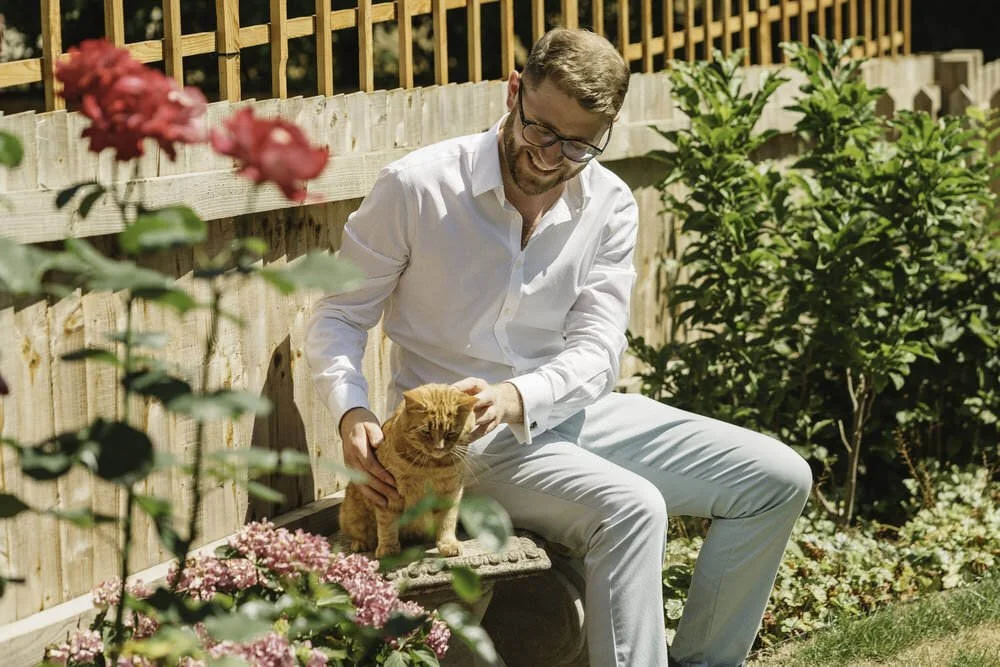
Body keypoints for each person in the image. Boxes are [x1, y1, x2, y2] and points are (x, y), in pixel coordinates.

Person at [306, 27, 812, 667]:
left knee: (776, 479)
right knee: (633, 509)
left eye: (578, 144)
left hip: (569, 412)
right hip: (463, 449)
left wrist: (518, 395)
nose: (550, 156)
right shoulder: (417, 188)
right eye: (540, 130)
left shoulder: (609, 202)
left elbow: (599, 349)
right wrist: (353, 413)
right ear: (514, 91)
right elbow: (339, 315)